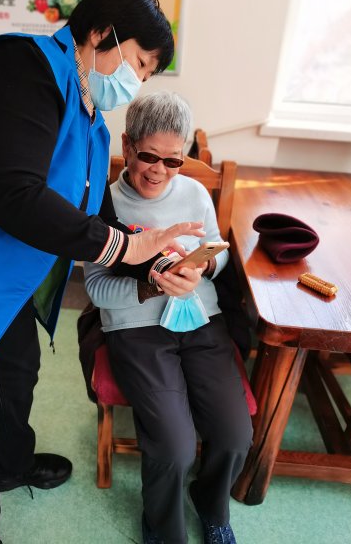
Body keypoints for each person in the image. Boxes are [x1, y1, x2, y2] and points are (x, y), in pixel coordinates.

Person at [0, 0, 205, 543]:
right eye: (139, 63)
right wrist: (123, 248)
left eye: (147, 74)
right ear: (100, 33)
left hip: (4, 283)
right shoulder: (21, 64)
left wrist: (156, 262)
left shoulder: (91, 122)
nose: (137, 82)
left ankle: (10, 465)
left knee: (17, 377)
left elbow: (98, 222)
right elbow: (11, 192)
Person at [84, 92, 253, 544]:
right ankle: (161, 525)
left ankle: (211, 504)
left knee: (235, 436)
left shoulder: (194, 192)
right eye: (148, 156)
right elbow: (96, 289)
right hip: (137, 329)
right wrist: (152, 285)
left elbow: (218, 250)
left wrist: (204, 265)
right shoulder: (103, 206)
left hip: (201, 320)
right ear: (127, 145)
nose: (159, 170)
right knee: (175, 449)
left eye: (173, 160)